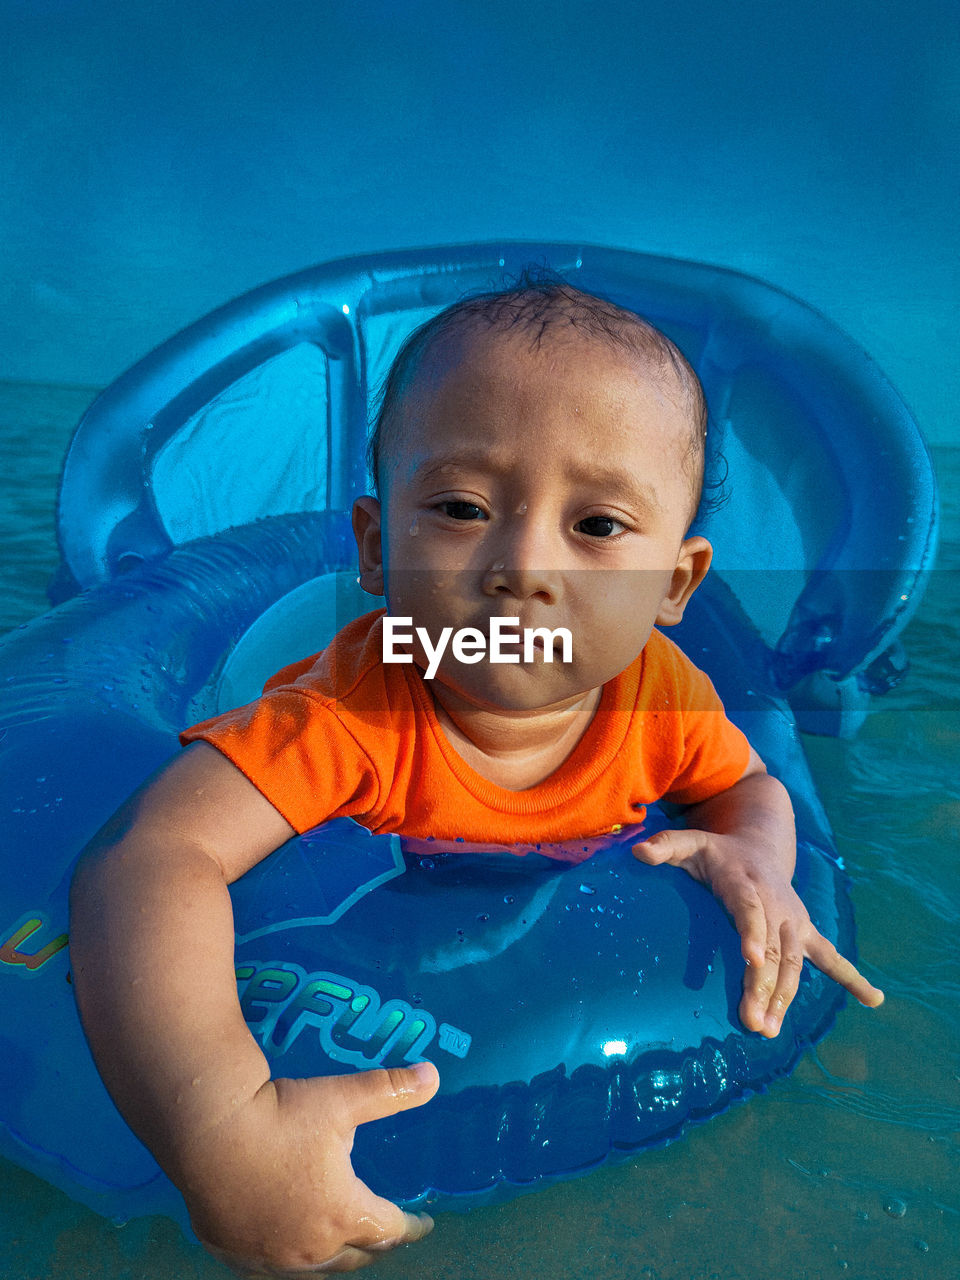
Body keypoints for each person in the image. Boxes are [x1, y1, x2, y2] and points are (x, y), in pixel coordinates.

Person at [69, 280, 884, 1277]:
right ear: (375, 546)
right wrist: (222, 1124)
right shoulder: (353, 714)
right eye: (461, 506)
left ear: (676, 583)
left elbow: (748, 783)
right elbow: (150, 856)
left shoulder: (658, 693)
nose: (522, 563)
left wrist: (758, 853)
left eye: (597, 525)